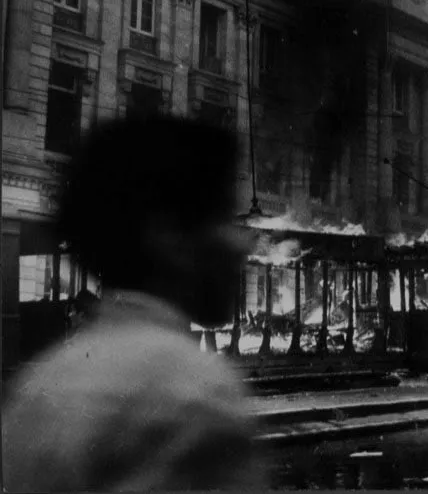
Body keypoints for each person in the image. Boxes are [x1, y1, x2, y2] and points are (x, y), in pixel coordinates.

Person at [2, 116, 260, 492]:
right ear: (167, 236)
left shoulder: (36, 388)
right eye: (223, 218)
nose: (242, 243)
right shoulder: (193, 394)